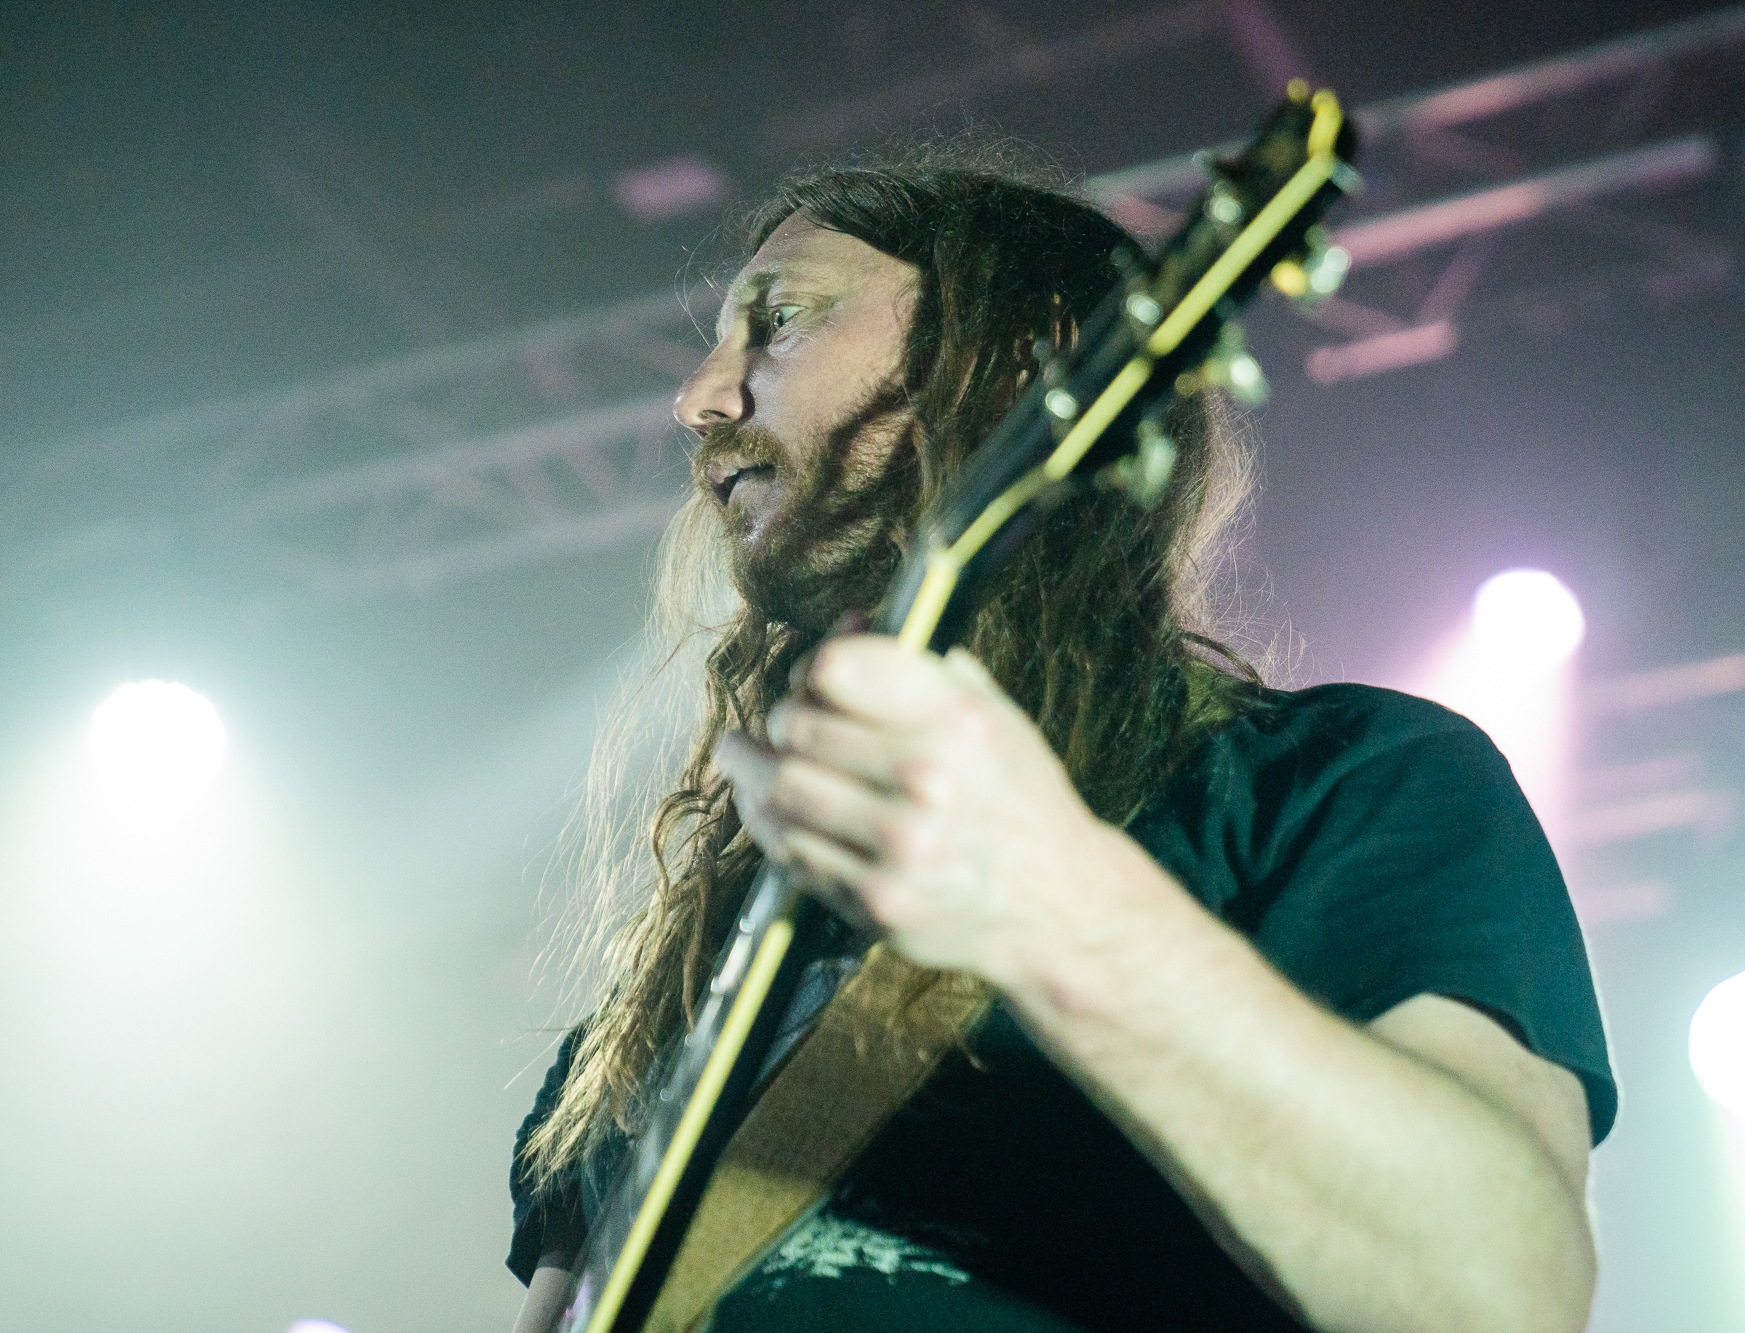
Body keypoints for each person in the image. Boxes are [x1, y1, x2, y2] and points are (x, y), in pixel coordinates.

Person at [508, 145, 1617, 1333]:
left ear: (1021, 359)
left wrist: (1054, 902)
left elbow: (1503, 1291)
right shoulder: (683, 978)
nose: (700, 395)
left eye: (778, 320)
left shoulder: (1335, 784)